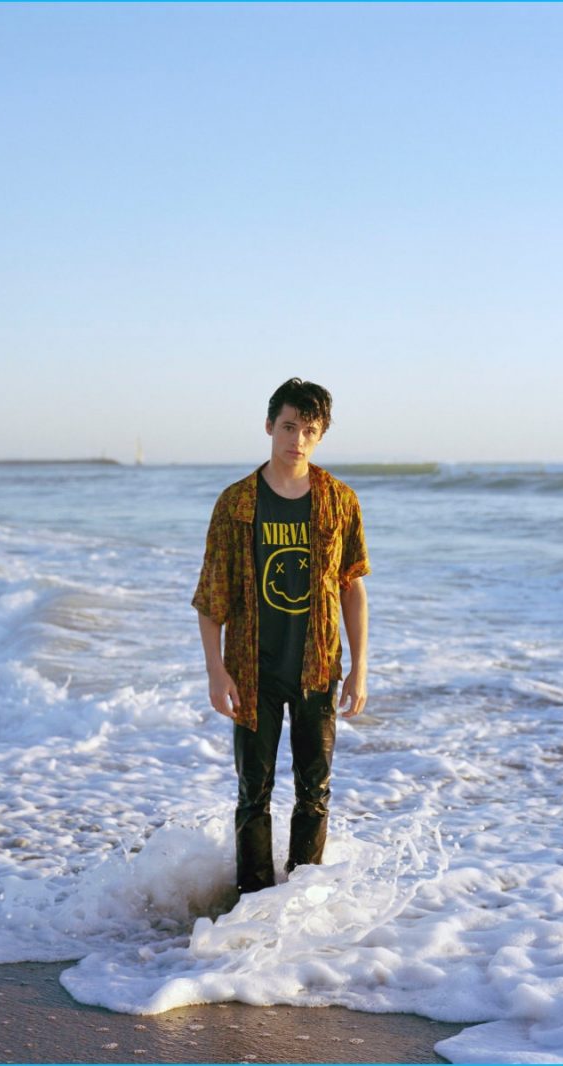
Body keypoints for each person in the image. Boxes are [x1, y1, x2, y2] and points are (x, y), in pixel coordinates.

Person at [192, 377, 370, 894]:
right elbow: (211, 598)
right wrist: (215, 669)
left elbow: (353, 589)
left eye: (309, 430)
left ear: (320, 436)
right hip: (253, 671)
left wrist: (360, 667)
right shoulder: (236, 504)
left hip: (317, 667)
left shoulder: (339, 501)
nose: (297, 439)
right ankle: (251, 900)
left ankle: (301, 899)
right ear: (270, 426)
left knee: (315, 792)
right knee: (254, 793)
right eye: (289, 426)